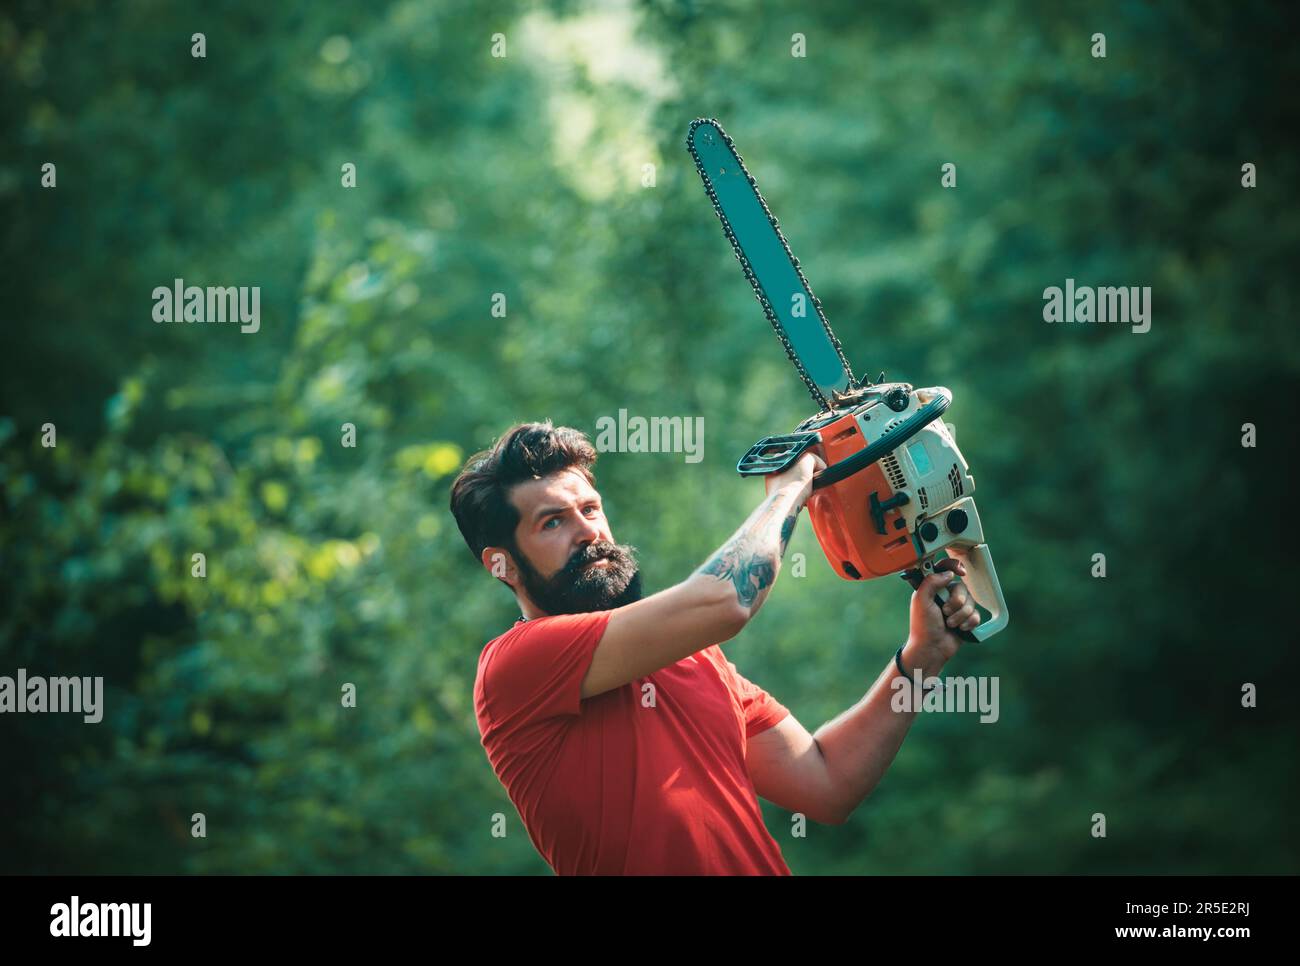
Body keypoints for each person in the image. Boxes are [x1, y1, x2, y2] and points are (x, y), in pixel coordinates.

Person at [449, 420, 980, 875]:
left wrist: (920, 659)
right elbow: (728, 599)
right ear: (503, 563)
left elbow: (827, 782)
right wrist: (787, 491)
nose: (588, 531)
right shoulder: (515, 665)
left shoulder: (692, 654)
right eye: (552, 522)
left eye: (590, 508)